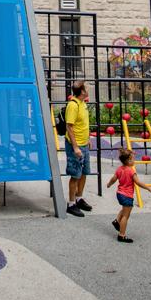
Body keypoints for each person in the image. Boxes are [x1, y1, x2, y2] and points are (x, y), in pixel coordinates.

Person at [61, 81, 93, 216]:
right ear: (82, 91)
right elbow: (70, 126)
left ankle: (79, 198)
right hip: (76, 145)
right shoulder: (73, 105)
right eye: (86, 87)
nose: (88, 88)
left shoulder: (83, 103)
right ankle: (71, 203)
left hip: (84, 143)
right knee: (75, 174)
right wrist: (75, 147)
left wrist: (88, 139)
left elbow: (84, 124)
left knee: (84, 172)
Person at [106, 147, 141, 243]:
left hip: (120, 194)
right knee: (126, 216)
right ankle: (122, 235)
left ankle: (117, 221)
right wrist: (148, 188)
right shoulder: (131, 171)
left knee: (124, 209)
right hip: (127, 195)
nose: (134, 160)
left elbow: (114, 179)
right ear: (129, 160)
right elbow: (138, 182)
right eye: (133, 159)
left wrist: (109, 184)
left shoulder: (119, 169)